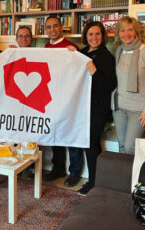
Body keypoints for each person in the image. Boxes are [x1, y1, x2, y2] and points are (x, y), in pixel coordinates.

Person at [43, 16, 83, 188]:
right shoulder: (45, 47)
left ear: (61, 28)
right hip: (52, 99)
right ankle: (58, 168)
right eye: (49, 27)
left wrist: (75, 55)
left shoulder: (71, 47)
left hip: (68, 98)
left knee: (71, 134)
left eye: (55, 26)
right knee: (55, 135)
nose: (52, 30)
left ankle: (75, 172)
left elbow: (80, 70)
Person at [77, 21, 117, 196]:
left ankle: (93, 182)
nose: (94, 37)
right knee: (89, 144)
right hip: (82, 107)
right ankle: (97, 180)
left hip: (98, 108)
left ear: (103, 36)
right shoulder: (82, 53)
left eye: (97, 34)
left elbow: (109, 85)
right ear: (86, 36)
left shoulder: (107, 57)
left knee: (91, 144)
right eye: (91, 34)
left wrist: (94, 71)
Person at [112, 16, 145, 154]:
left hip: (139, 110)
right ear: (118, 33)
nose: (126, 34)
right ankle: (124, 176)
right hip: (119, 107)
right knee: (121, 145)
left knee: (130, 147)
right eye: (122, 30)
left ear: (136, 32)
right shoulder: (119, 51)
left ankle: (134, 176)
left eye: (130, 30)